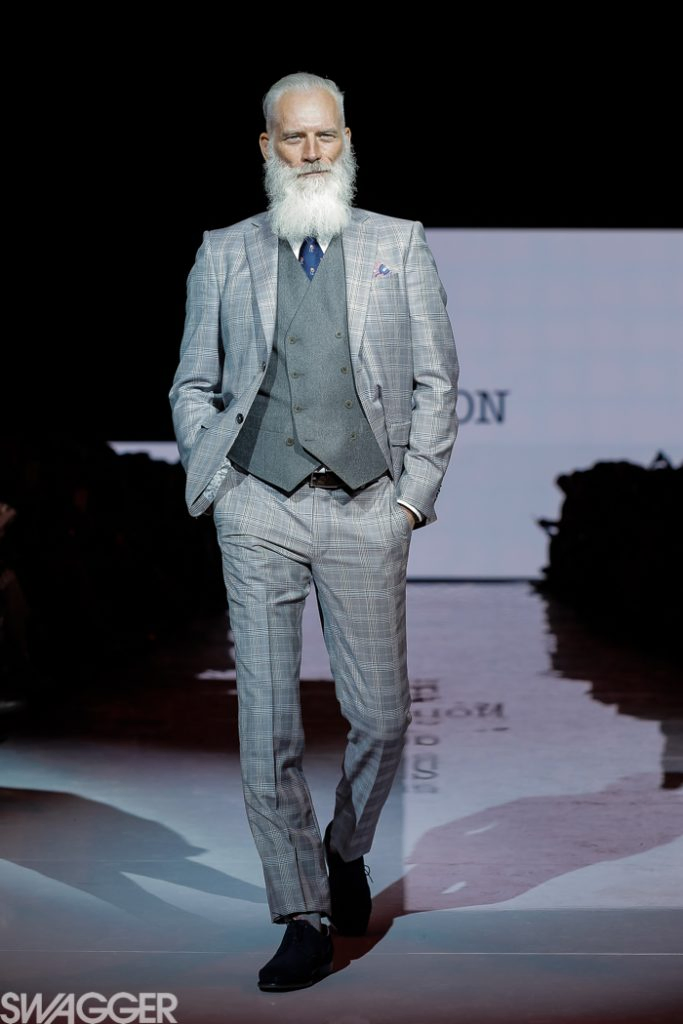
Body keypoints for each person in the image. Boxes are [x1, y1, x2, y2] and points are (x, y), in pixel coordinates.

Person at [169, 72, 459, 991]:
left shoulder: (397, 243)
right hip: (258, 505)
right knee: (266, 723)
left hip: (368, 506)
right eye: (292, 138)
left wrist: (411, 498)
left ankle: (344, 848)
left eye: (324, 136)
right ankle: (299, 910)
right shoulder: (224, 251)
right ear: (266, 146)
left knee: (383, 718)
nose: (310, 152)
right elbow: (193, 383)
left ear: (346, 139)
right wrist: (217, 480)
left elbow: (436, 382)